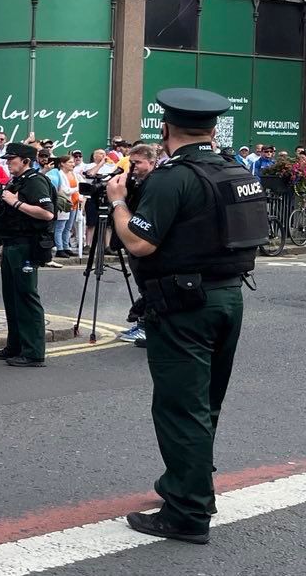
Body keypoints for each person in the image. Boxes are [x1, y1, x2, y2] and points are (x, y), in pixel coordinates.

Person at [106, 89, 263, 546]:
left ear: (167, 129)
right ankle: (188, 487)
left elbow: (139, 243)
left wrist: (119, 201)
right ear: (213, 129)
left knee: (180, 407)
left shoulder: (173, 177)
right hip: (229, 297)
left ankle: (187, 513)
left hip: (183, 304)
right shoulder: (233, 170)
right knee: (205, 404)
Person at [0, 141, 55, 368]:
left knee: (26, 297)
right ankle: (15, 345)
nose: (8, 163)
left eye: (12, 160)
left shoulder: (35, 181)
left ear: (26, 161)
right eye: (7, 160)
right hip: (11, 244)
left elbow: (47, 213)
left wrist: (16, 203)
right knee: (11, 297)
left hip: (26, 245)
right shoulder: (17, 180)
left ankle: (34, 352)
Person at [115, 143, 157, 345]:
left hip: (147, 243)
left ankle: (147, 328)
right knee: (144, 286)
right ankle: (143, 323)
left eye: (138, 163)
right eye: (131, 163)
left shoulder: (155, 183)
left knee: (150, 287)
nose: (134, 167)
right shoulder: (136, 182)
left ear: (152, 161)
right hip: (135, 242)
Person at [47, 155, 79, 259]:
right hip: (63, 204)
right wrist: (77, 188)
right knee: (60, 227)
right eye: (70, 162)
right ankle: (59, 249)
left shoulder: (74, 174)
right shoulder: (59, 174)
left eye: (73, 162)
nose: (72, 164)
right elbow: (65, 190)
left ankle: (66, 247)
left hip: (74, 203)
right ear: (62, 164)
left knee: (68, 228)